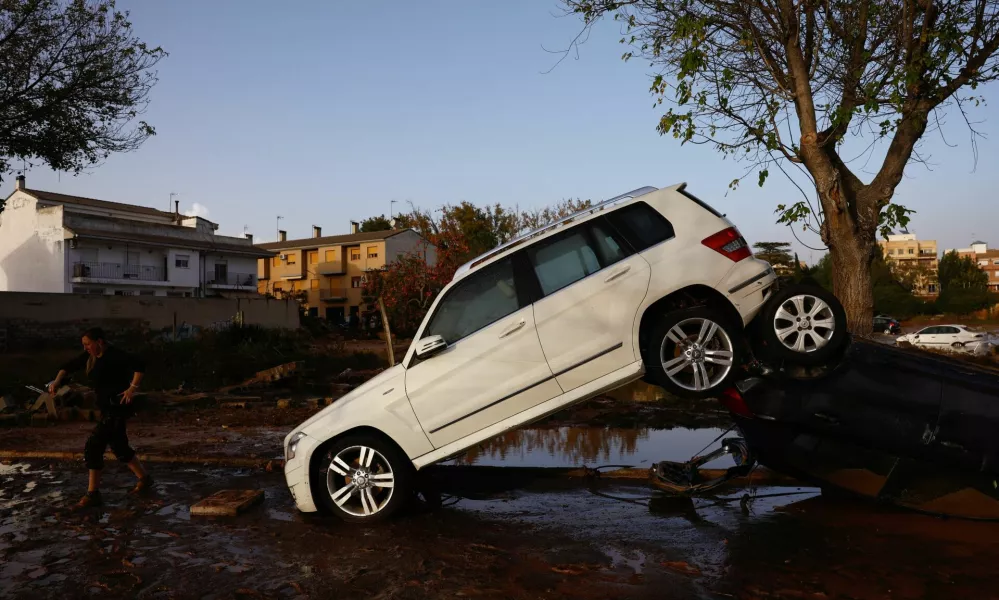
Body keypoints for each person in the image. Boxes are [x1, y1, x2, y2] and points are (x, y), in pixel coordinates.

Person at [49, 327, 153, 507]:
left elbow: (140, 366)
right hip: (105, 408)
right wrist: (57, 381)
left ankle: (93, 494)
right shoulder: (91, 357)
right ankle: (144, 479)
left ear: (99, 342)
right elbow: (68, 366)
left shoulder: (114, 355)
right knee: (119, 446)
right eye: (84, 345)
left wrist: (132, 388)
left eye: (88, 344)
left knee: (93, 446)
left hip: (117, 408)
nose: (85, 348)